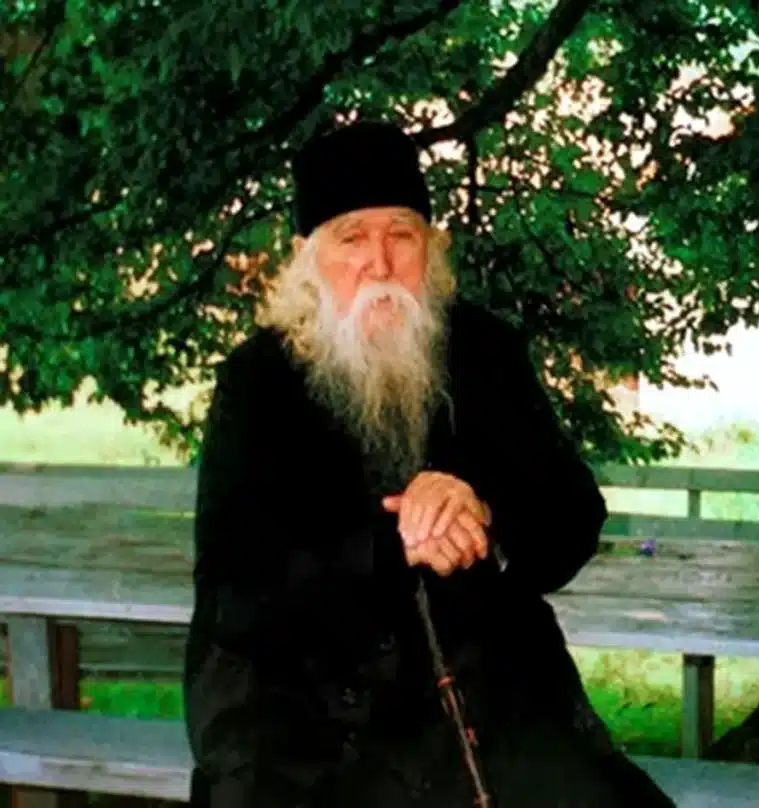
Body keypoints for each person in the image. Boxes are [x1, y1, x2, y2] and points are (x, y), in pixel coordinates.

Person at [183, 120, 676, 807]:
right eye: (351, 238)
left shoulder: (484, 351)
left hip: (488, 700)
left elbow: (570, 519)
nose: (380, 263)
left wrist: (481, 514)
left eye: (401, 235)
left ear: (432, 248)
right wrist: (396, 546)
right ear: (306, 259)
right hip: (306, 720)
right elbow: (238, 594)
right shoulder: (258, 382)